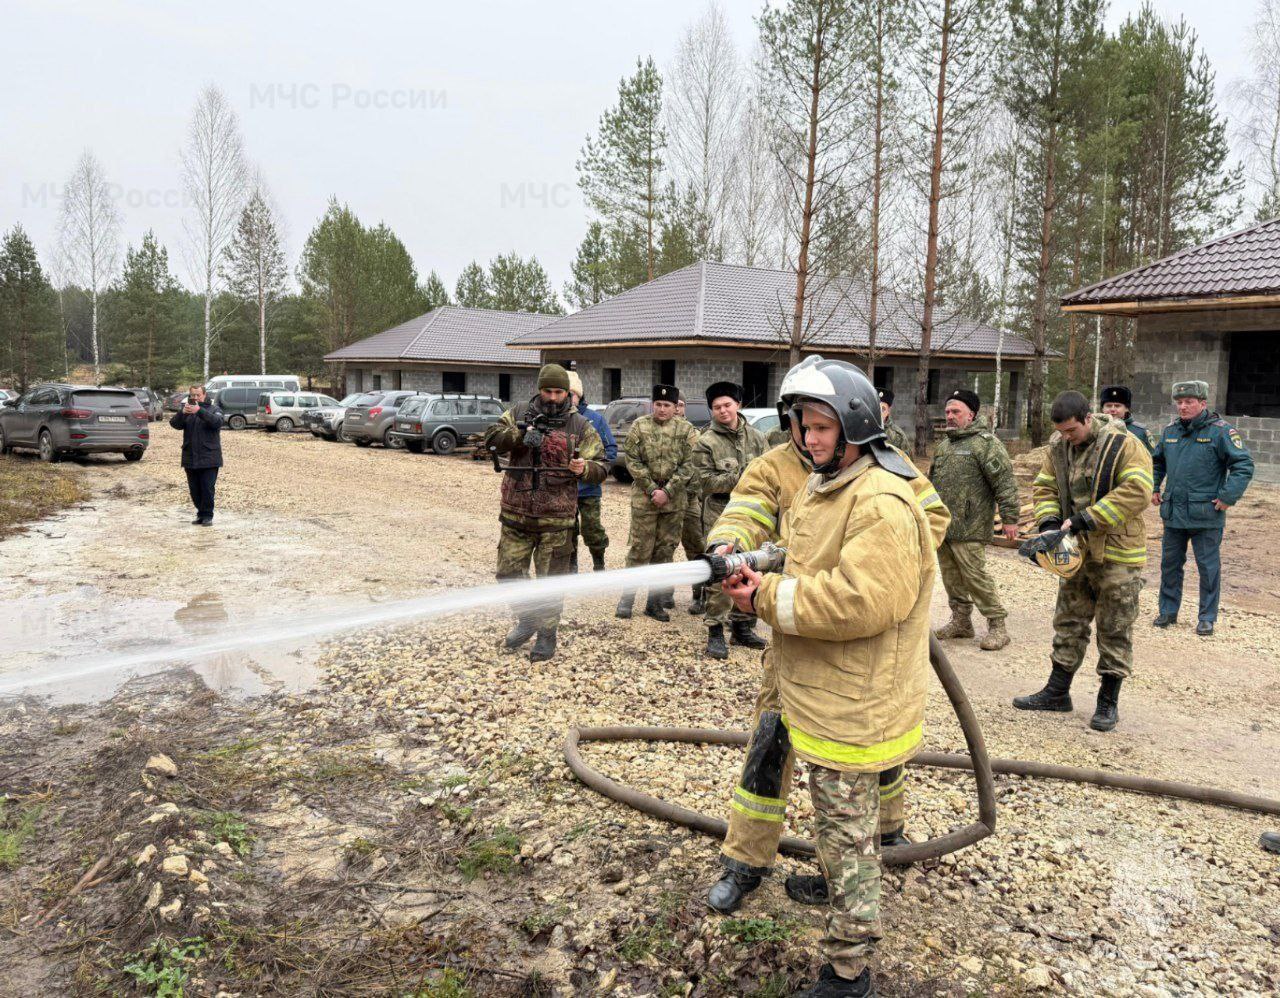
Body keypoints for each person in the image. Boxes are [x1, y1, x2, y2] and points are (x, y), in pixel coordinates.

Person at [719, 357, 935, 998]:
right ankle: (841, 886)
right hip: (821, 689)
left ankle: (848, 970)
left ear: (856, 426)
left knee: (846, 837)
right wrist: (758, 559)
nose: (806, 438)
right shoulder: (831, 482)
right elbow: (809, 548)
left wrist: (766, 597)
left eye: (820, 425)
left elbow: (859, 600)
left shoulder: (882, 501)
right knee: (842, 829)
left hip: (852, 701)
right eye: (800, 424)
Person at [1013, 391, 1153, 731]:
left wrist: (1086, 519)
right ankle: (1057, 692)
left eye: (1072, 431)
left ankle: (1108, 702)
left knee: (1115, 627)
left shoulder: (1124, 444)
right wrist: (1048, 524)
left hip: (1118, 552)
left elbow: (1138, 490)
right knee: (1069, 620)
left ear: (1088, 419)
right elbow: (1045, 486)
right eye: (1061, 432)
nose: (1067, 437)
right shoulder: (1059, 449)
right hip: (1076, 553)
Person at [483, 364, 607, 662]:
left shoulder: (581, 426)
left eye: (559, 391)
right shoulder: (518, 413)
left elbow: (602, 467)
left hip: (557, 520)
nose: (553, 398)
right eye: (548, 391)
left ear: (568, 392)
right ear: (540, 389)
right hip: (516, 515)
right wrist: (518, 435)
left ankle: (547, 633)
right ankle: (527, 618)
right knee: (508, 573)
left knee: (551, 580)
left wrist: (584, 468)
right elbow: (490, 438)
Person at [1150, 380, 1254, 637]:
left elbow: (1243, 465)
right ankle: (1168, 611)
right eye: (1180, 402)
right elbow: (1157, 462)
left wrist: (1228, 496)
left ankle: (1207, 617)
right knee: (1169, 565)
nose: (1183, 407)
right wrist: (1153, 486)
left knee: (1208, 569)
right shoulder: (1170, 431)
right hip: (1173, 512)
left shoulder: (1221, 432)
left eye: (1189, 402)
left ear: (1203, 403)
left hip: (1206, 515)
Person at [929, 388, 1020, 651]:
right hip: (945, 526)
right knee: (950, 577)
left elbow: (1005, 483)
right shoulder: (944, 446)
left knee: (975, 576)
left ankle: (997, 626)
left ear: (972, 414)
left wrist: (1010, 518)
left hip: (971, 526)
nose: (950, 416)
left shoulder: (986, 444)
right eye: (947, 411)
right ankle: (961, 622)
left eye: (956, 411)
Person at [693, 381, 769, 658]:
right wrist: (739, 478)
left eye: (727, 405)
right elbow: (704, 482)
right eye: (716, 407)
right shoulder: (705, 442)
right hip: (720, 513)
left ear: (738, 405)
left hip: (754, 514)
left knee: (753, 566)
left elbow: (769, 475)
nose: (723, 411)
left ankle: (743, 627)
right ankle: (715, 629)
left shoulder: (758, 438)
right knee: (721, 569)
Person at [617, 384, 695, 621]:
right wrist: (652, 489)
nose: (662, 409)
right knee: (640, 549)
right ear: (653, 404)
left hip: (674, 500)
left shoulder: (687, 430)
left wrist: (668, 491)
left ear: (675, 407)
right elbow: (632, 459)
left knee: (664, 552)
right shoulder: (640, 426)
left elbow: (690, 464)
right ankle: (627, 599)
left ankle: (654, 602)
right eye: (658, 404)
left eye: (667, 405)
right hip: (645, 497)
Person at [566, 370, 616, 572]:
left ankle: (599, 564)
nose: (569, 398)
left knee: (592, 529)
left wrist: (597, 470)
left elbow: (610, 449)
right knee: (568, 530)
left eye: (572, 393)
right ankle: (571, 566)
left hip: (589, 489)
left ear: (580, 395)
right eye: (565, 393)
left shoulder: (594, 419)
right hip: (563, 490)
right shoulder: (555, 419)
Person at [671, 393, 706, 611]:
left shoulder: (695, 434)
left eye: (681, 405)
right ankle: (663, 593)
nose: (677, 408)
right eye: (675, 405)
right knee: (664, 547)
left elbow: (699, 466)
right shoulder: (660, 431)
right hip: (667, 499)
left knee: (695, 546)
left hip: (690, 499)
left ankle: (698, 593)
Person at [170, 385, 223, 526]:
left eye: (198, 395)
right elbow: (174, 424)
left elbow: (217, 422)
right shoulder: (187, 410)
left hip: (209, 457)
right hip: (190, 457)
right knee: (194, 490)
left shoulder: (214, 409)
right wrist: (182, 413)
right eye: (192, 395)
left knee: (207, 488)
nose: (195, 398)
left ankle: (207, 515)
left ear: (204, 395)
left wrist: (199, 411)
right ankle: (200, 513)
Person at [1099, 385, 1154, 454]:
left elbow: (1153, 459)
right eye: (1108, 406)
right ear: (1102, 409)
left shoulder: (1141, 432)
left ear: (1127, 408)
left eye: (1117, 406)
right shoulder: (1095, 429)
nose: (1112, 409)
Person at [878, 388, 911, 454]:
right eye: (876, 408)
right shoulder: (863, 430)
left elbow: (907, 461)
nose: (879, 413)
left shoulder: (898, 436)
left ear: (888, 411)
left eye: (883, 409)